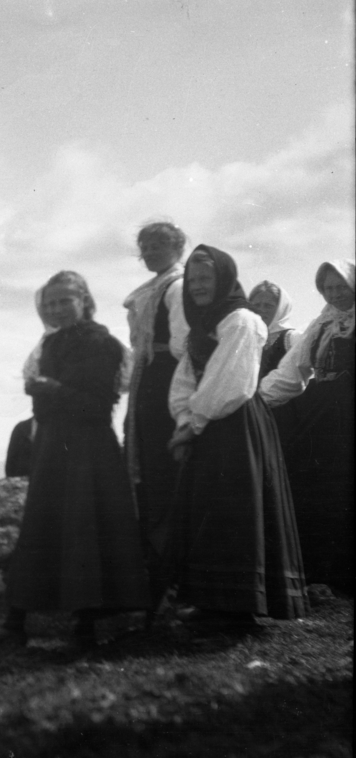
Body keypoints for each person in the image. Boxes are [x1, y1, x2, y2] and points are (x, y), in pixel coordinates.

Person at [0, 272, 149, 648]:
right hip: (55, 444)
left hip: (88, 448)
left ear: (84, 300)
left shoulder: (101, 343)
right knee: (41, 526)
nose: (57, 309)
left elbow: (96, 405)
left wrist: (51, 390)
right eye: (51, 303)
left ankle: (85, 628)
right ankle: (15, 623)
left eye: (65, 301)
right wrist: (47, 395)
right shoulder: (52, 343)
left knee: (84, 529)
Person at [165, 246, 307, 628]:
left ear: (224, 278)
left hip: (235, 426)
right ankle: (213, 603)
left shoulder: (242, 321)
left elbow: (231, 384)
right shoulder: (202, 325)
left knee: (234, 510)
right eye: (192, 280)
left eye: (205, 279)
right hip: (209, 423)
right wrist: (184, 419)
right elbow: (185, 379)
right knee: (210, 509)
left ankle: (238, 610)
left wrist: (193, 424)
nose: (196, 286)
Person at [259, 259, 354, 592]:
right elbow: (291, 370)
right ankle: (321, 572)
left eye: (341, 286)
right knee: (316, 488)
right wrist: (256, 400)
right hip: (322, 413)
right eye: (328, 288)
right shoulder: (322, 323)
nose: (335, 293)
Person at [122, 221, 189, 554]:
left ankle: (168, 559)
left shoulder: (176, 287)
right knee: (148, 465)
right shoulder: (152, 288)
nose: (149, 253)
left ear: (177, 247)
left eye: (157, 245)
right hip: (147, 380)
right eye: (145, 247)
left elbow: (183, 342)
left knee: (163, 466)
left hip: (167, 378)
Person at [248, 281, 300, 380]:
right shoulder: (248, 341)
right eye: (256, 305)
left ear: (281, 309)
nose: (261, 310)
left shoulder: (292, 339)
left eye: (268, 306)